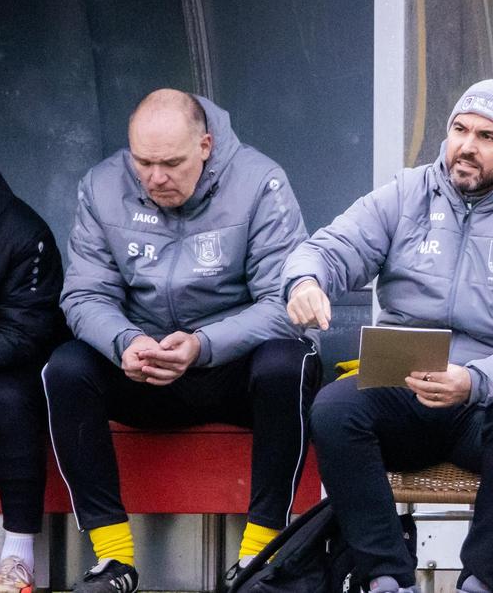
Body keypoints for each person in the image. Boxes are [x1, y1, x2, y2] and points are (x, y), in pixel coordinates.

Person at [285, 79, 493, 593]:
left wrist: (474, 380)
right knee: (335, 409)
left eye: (488, 137)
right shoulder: (409, 193)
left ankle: (481, 582)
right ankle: (386, 577)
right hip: (407, 390)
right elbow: (330, 248)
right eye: (460, 130)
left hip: (492, 404)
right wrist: (306, 281)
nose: (467, 146)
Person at [43, 89, 319, 592]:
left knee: (290, 363)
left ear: (206, 145)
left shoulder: (260, 182)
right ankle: (113, 559)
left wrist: (202, 344)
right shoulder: (101, 185)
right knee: (64, 368)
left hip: (227, 366)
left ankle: (259, 559)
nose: (155, 178)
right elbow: (84, 295)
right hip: (141, 365)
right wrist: (124, 341)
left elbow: (284, 305)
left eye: (171, 164)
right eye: (143, 162)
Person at [0, 156, 67, 593]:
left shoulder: (21, 232)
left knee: (9, 397)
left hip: (4, 365)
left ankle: (17, 558)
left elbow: (25, 330)